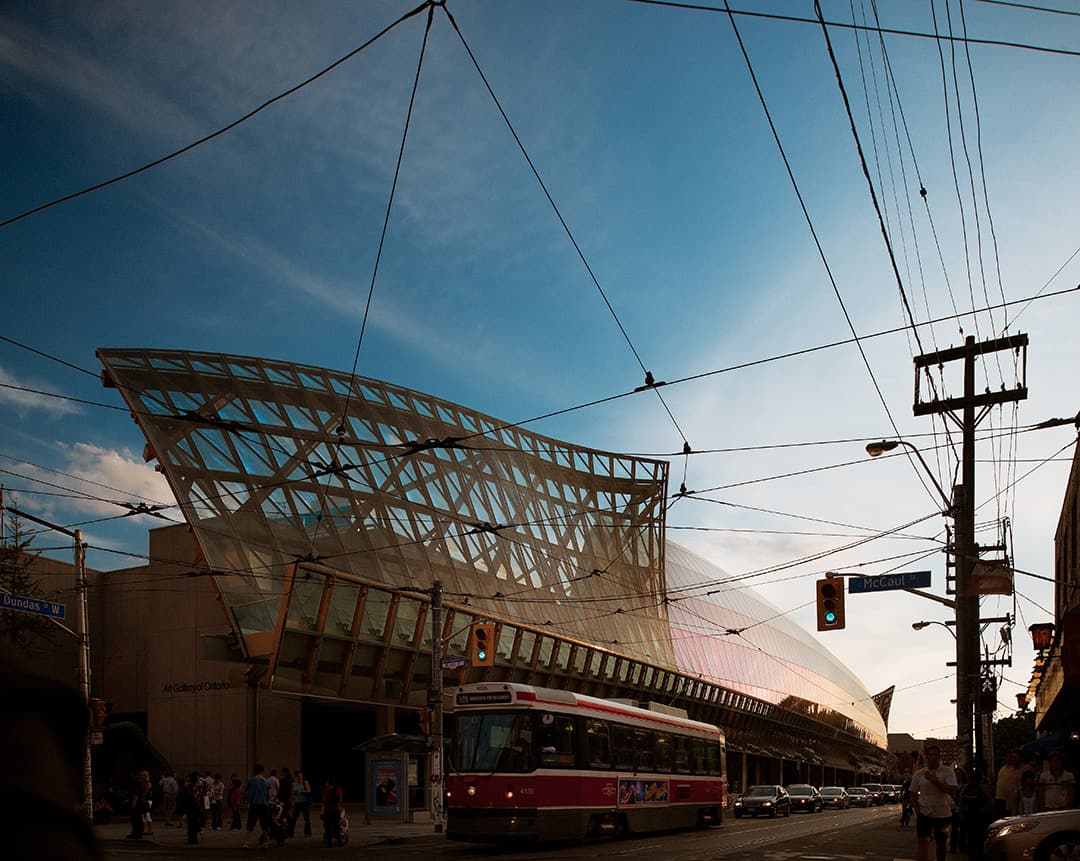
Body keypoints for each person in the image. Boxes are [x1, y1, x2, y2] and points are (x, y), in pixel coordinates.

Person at [909, 744, 958, 861]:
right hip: (925, 814)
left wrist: (935, 781)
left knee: (941, 843)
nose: (933, 757)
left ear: (939, 757)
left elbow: (952, 790)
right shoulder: (919, 774)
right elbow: (913, 793)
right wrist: (918, 811)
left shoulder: (947, 772)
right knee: (923, 842)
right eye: (930, 755)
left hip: (943, 814)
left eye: (936, 755)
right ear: (926, 757)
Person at [956, 767, 995, 861]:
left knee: (975, 842)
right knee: (975, 842)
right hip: (974, 818)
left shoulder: (973, 788)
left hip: (977, 818)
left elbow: (990, 802)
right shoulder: (968, 788)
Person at [243, 763, 271, 849]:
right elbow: (268, 794)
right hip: (263, 805)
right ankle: (266, 842)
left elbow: (245, 791)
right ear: (262, 771)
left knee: (250, 824)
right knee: (264, 825)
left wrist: (247, 800)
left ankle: (247, 842)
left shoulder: (251, 780)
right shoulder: (266, 781)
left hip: (254, 805)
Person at [995, 749, 1026, 818]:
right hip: (999, 797)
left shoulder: (1018, 769)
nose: (1009, 758)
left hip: (1010, 798)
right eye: (1007, 757)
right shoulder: (1003, 768)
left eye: (1013, 757)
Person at [289, 769, 312, 838]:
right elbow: (292, 794)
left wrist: (301, 791)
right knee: (293, 819)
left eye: (301, 776)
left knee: (306, 819)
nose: (300, 777)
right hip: (297, 803)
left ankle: (308, 833)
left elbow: (309, 791)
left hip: (304, 803)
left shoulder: (305, 783)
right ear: (296, 777)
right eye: (298, 776)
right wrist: (291, 801)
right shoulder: (294, 784)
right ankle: (290, 832)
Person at [322, 776, 344, 847]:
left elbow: (324, 801)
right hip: (336, 810)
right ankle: (339, 842)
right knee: (336, 826)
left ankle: (329, 843)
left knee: (327, 826)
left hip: (328, 810)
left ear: (328, 783)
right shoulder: (339, 790)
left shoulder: (326, 790)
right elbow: (340, 801)